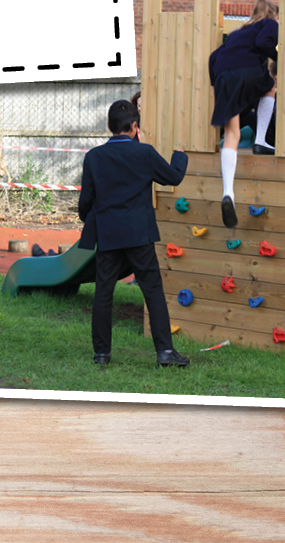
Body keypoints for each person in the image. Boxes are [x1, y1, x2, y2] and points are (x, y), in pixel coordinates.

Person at [77, 98, 189, 367]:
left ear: (109, 126)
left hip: (108, 235)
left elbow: (85, 203)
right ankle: (164, 352)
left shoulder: (93, 157)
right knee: (152, 290)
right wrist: (180, 154)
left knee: (104, 292)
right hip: (139, 233)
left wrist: (92, 221)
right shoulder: (145, 153)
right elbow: (173, 177)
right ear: (134, 126)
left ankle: (101, 354)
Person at [207, 0, 283, 221]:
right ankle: (261, 141)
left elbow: (213, 58)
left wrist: (216, 85)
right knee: (270, 89)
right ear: (274, 15)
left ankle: (228, 192)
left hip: (224, 78)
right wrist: (280, 57)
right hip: (247, 70)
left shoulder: (237, 33)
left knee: (232, 133)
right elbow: (263, 43)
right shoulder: (269, 24)